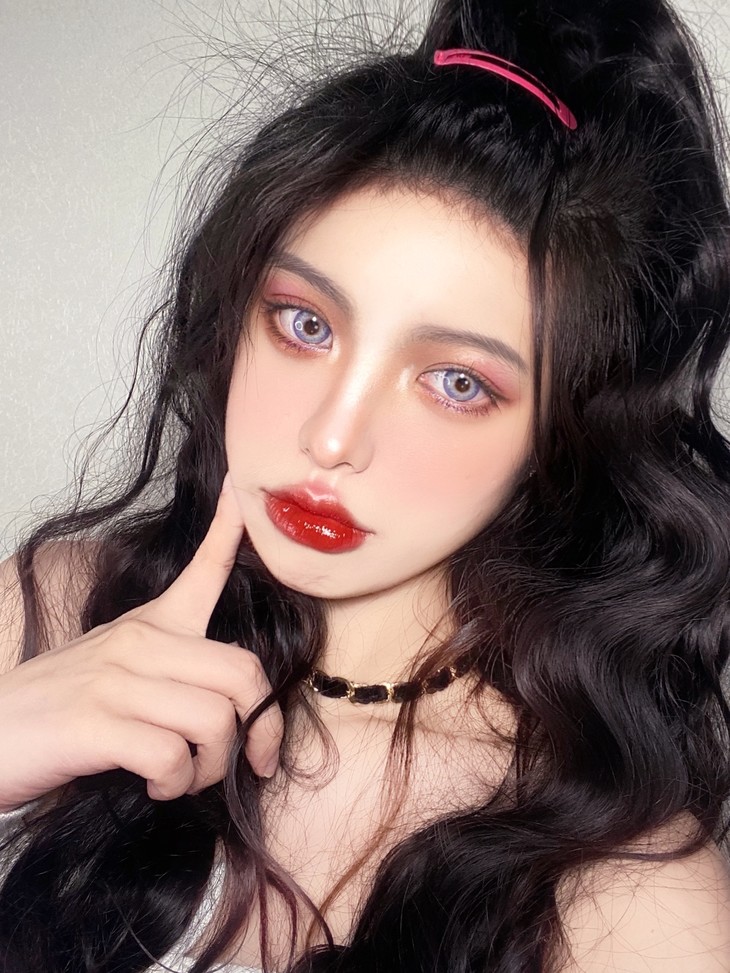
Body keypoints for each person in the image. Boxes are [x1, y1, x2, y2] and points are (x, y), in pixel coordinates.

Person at [1, 0, 730, 969]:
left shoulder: (625, 890)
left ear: (558, 437)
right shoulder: (53, 614)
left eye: (456, 382)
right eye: (305, 325)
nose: (332, 437)